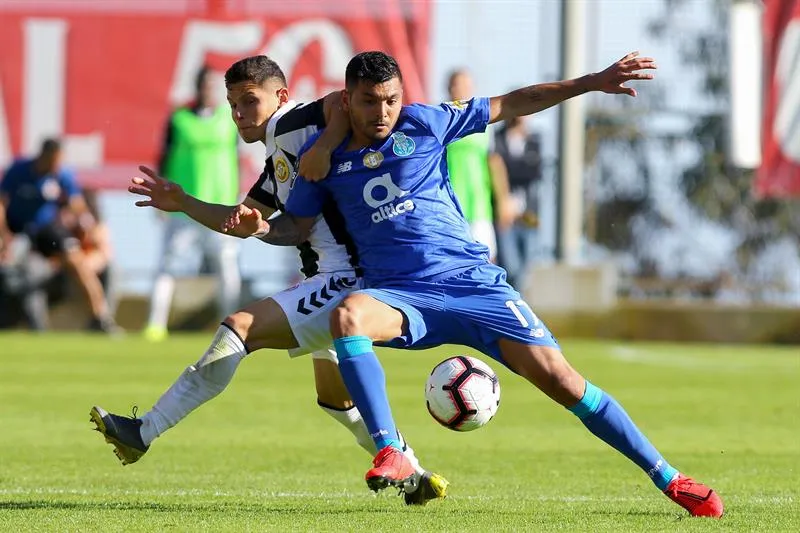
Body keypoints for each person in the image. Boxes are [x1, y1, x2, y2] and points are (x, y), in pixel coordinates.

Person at [226, 51, 723, 518]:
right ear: (347, 100)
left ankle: (670, 478)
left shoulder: (425, 122)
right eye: (370, 102)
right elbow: (296, 227)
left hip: (474, 285)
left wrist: (591, 82)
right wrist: (259, 227)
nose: (383, 112)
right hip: (400, 295)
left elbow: (515, 102)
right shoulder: (322, 160)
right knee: (348, 315)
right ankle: (390, 450)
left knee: (564, 382)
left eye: (392, 99)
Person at [89, 55, 447, 506]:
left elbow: (338, 104)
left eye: (249, 101)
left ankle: (143, 431)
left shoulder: (292, 121)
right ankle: (415, 477)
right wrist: (184, 202)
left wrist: (323, 147)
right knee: (335, 400)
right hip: (332, 277)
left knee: (239, 327)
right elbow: (246, 218)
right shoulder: (280, 148)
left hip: (346, 277)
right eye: (233, 104)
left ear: (280, 96)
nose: (239, 114)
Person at [143, 66, 242, 342]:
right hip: (183, 210)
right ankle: (155, 325)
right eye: (205, 85)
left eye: (213, 86)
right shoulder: (179, 119)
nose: (208, 90)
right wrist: (161, 200)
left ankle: (232, 327)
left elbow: (236, 161)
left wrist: (238, 199)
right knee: (166, 267)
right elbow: (163, 160)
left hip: (221, 209)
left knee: (227, 269)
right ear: (197, 87)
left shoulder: (229, 119)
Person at [0, 138, 120, 333]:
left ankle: (99, 317)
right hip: (16, 228)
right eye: (53, 161)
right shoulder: (18, 170)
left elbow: (77, 204)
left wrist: (80, 220)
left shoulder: (62, 174)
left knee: (77, 261)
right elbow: (1, 203)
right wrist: (4, 236)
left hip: (45, 229)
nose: (56, 166)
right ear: (43, 156)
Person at [444, 69, 513, 262]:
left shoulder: (483, 122)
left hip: (479, 204)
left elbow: (494, 161)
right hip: (449, 204)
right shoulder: (441, 120)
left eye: (467, 85)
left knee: (486, 259)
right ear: (449, 88)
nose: (462, 89)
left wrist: (503, 200)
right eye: (458, 85)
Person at [493, 116, 543, 289]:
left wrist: (504, 167)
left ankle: (517, 301)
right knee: (510, 266)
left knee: (525, 268)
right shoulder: (497, 138)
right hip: (505, 216)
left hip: (528, 215)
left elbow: (534, 172)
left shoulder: (534, 140)